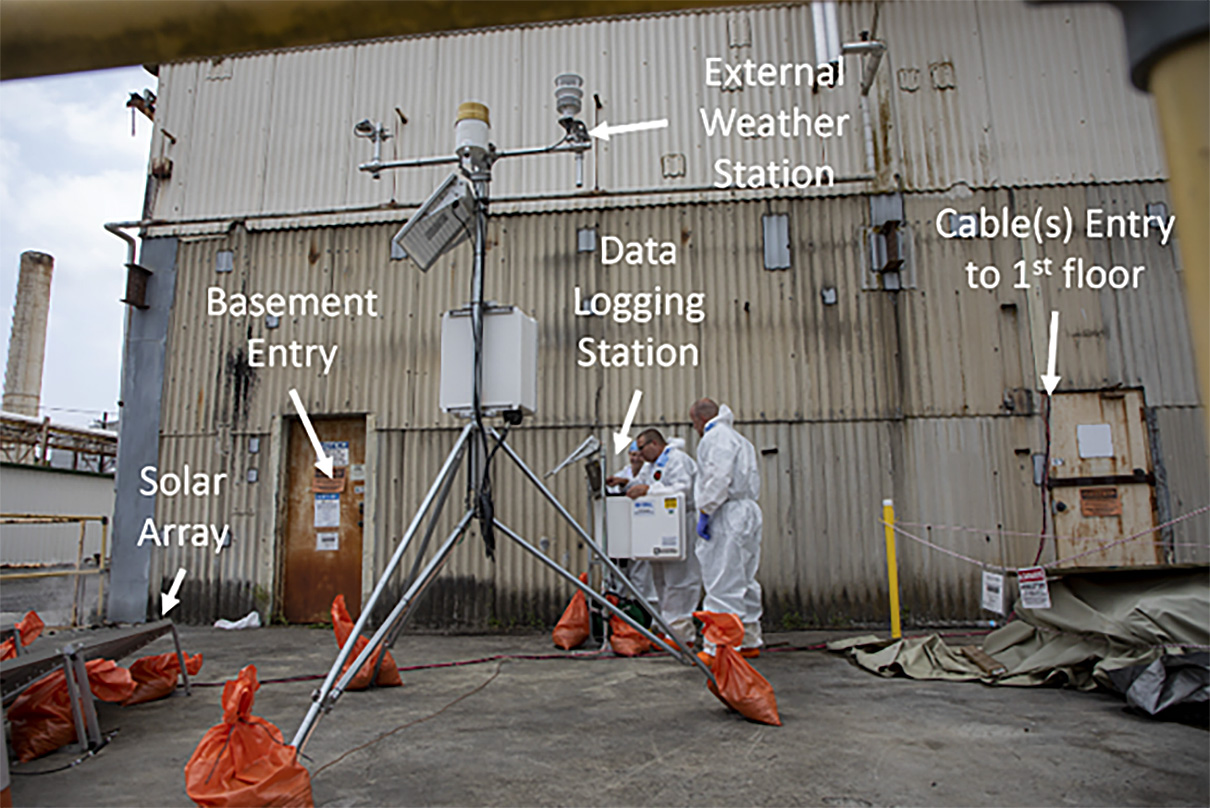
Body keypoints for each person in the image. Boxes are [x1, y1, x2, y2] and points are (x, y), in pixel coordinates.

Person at [690, 398, 764, 660]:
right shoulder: (739, 439)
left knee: (722, 580)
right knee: (745, 577)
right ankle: (748, 639)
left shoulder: (715, 439)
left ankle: (719, 648)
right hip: (748, 511)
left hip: (726, 513)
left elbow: (718, 478)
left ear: (699, 419)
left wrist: (706, 511)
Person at [621, 428, 702, 648]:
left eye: (641, 447)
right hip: (658, 527)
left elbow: (683, 489)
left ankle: (682, 635)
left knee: (680, 580)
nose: (639, 454)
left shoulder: (678, 460)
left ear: (655, 444)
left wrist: (649, 490)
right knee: (661, 580)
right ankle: (667, 629)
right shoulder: (652, 465)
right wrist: (623, 483)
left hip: (679, 524)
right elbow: (641, 483)